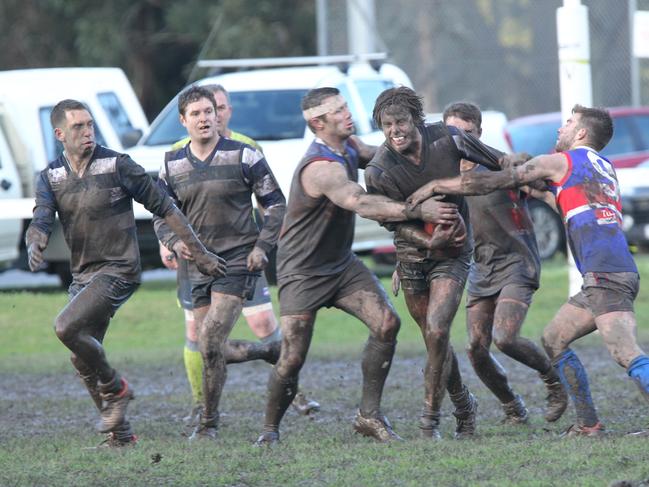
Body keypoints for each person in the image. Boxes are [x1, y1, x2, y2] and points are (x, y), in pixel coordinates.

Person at [408, 104, 649, 437]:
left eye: (568, 123)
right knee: (554, 338)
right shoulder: (602, 166)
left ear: (580, 133)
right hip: (605, 274)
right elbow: (551, 195)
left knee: (625, 351)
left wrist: (437, 186)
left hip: (606, 273)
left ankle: (590, 423)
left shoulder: (562, 160)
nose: (560, 128)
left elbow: (503, 178)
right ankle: (588, 424)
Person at [255, 87, 461, 445]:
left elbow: (385, 156)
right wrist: (419, 210)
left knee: (386, 323)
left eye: (346, 106)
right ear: (319, 123)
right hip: (301, 270)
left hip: (341, 264)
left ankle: (369, 416)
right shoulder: (320, 167)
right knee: (292, 357)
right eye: (338, 111)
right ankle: (269, 431)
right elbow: (360, 202)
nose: (348, 114)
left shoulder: (350, 147)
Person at [26, 99, 227, 447]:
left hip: (119, 269)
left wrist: (200, 253)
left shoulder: (118, 165)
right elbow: (41, 218)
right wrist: (36, 240)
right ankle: (120, 434)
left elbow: (166, 208)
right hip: (83, 276)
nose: (88, 131)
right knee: (81, 354)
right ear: (60, 133)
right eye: (78, 127)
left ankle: (117, 388)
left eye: (90, 124)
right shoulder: (51, 177)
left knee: (64, 327)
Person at [159, 84, 318, 421]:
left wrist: (263, 246)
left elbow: (275, 204)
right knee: (208, 347)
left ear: (219, 115)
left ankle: (209, 422)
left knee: (216, 335)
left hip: (237, 260)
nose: (205, 119)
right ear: (183, 120)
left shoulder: (244, 153)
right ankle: (267, 355)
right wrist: (174, 243)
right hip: (195, 265)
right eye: (197, 114)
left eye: (209, 112)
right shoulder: (172, 162)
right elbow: (162, 215)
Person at [364, 87, 503, 440]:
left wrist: (531, 170)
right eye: (387, 124)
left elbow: (498, 165)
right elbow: (393, 223)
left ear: (417, 120)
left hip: (454, 253)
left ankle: (430, 421)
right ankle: (464, 404)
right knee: (433, 339)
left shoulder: (450, 139)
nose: (395, 130)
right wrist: (428, 240)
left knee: (438, 329)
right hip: (413, 259)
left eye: (401, 122)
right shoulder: (379, 170)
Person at [440, 101, 567, 425]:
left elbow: (539, 185)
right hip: (481, 268)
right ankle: (513, 407)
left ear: (479, 133)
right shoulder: (445, 178)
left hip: (517, 263)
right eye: (453, 133)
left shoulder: (500, 167)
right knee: (475, 349)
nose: (461, 139)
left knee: (506, 337)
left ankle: (554, 382)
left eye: (467, 133)